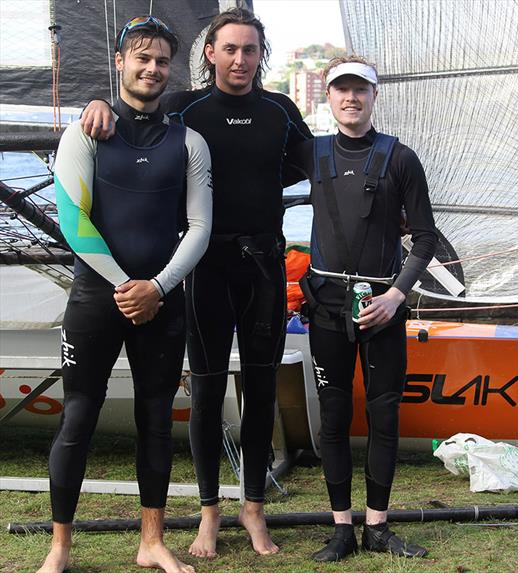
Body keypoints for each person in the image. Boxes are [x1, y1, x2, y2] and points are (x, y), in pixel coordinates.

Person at [81, 7, 312, 558]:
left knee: (260, 389)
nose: (239, 59)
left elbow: (315, 165)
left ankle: (252, 509)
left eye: (250, 50)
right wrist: (95, 102)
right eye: (229, 49)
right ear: (209, 54)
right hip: (205, 267)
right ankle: (209, 514)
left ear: (261, 56)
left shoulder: (281, 110)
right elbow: (132, 113)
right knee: (206, 391)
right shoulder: (186, 109)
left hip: (262, 266)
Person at [38, 16, 212, 573]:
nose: (152, 68)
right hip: (98, 297)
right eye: (141, 57)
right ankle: (60, 547)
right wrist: (125, 286)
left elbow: (200, 227)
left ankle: (152, 541)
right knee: (78, 417)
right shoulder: (87, 131)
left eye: (162, 60)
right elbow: (72, 218)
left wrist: (157, 287)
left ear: (172, 68)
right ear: (120, 63)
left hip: (160, 300)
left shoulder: (190, 141)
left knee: (156, 418)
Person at [287, 55, 438, 562]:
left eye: (361, 90)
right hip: (328, 306)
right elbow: (248, 154)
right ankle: (341, 529)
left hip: (383, 308)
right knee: (333, 416)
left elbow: (424, 239)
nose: (351, 98)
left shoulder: (400, 158)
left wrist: (396, 297)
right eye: (341, 90)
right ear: (328, 98)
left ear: (375, 96)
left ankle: (377, 526)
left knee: (383, 414)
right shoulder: (310, 153)